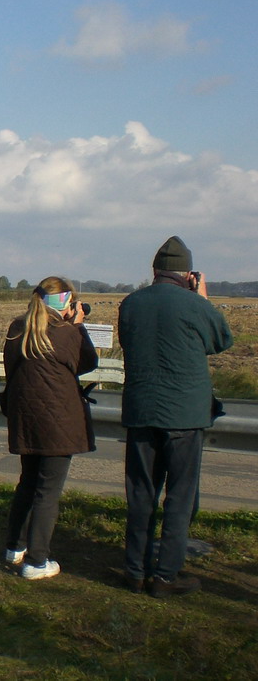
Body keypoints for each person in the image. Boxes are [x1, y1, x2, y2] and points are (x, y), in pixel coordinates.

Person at [120, 236, 233, 598]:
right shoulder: (193, 303)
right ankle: (166, 576)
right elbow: (221, 341)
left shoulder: (130, 304)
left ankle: (135, 571)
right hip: (184, 415)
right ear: (188, 274)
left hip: (140, 412)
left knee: (140, 494)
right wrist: (202, 298)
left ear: (154, 272)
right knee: (179, 497)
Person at [2, 277, 98, 580]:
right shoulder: (66, 333)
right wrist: (78, 325)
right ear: (66, 303)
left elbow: (9, 368)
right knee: (48, 491)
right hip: (59, 421)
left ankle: (14, 546)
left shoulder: (18, 328)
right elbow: (87, 363)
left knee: (27, 482)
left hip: (25, 417)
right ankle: (37, 560)